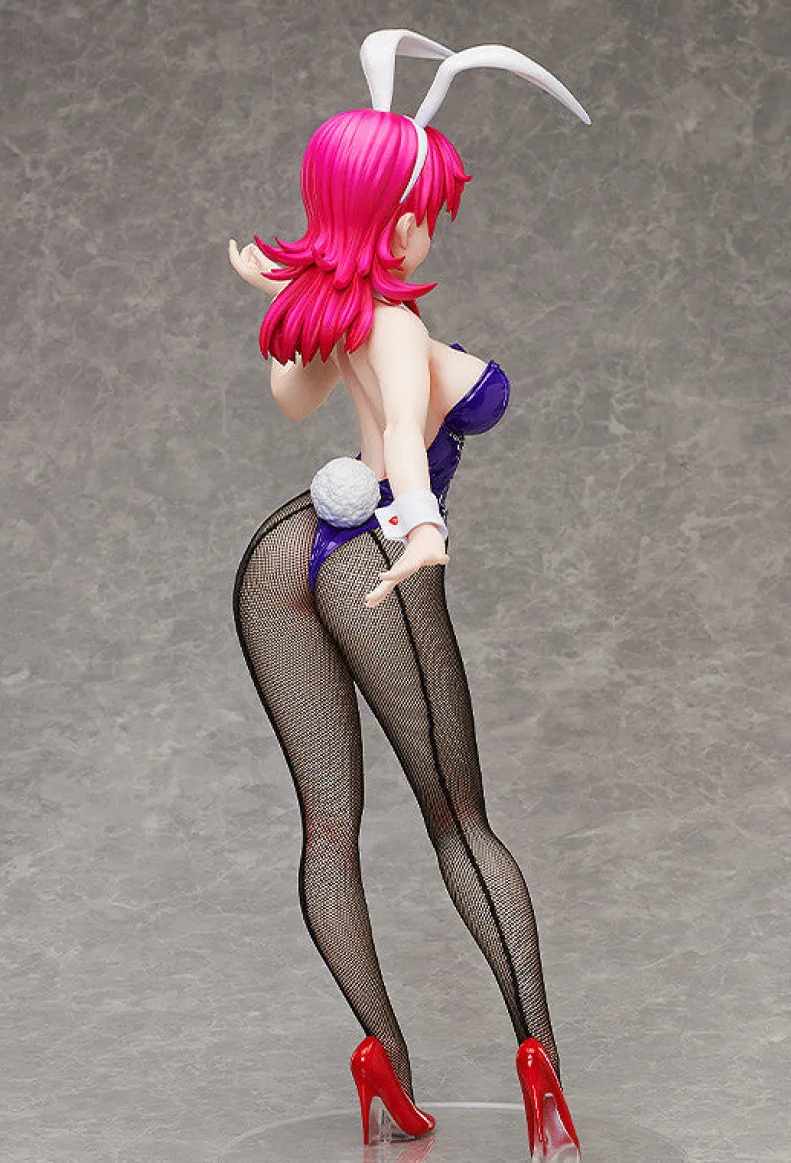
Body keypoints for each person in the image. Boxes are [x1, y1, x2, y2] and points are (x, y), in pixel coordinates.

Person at [229, 30, 589, 1160]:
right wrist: (423, 527)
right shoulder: (392, 321)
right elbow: (396, 431)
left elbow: (295, 402)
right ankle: (540, 1060)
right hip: (372, 555)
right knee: (459, 821)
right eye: (425, 208)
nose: (433, 224)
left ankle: (379, 1054)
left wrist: (294, 288)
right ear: (394, 222)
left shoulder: (339, 311)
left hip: (285, 550)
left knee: (327, 825)